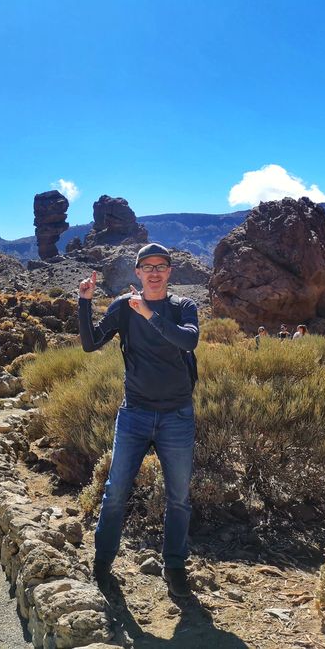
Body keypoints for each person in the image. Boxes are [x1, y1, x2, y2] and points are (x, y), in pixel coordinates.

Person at [77, 243, 198, 598]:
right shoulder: (123, 308)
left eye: (162, 265)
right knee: (115, 492)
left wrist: (148, 313)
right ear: (138, 272)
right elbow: (90, 343)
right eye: (148, 266)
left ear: (170, 271)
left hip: (177, 414)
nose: (155, 272)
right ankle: (102, 564)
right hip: (135, 413)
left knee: (178, 497)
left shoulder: (182, 307)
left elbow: (188, 342)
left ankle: (174, 566)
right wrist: (85, 302)